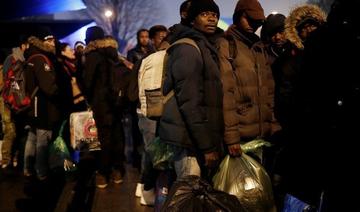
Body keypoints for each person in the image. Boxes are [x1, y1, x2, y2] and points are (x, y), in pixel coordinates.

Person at [270, 4, 326, 209]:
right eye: (306, 27)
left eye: (315, 26)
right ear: (297, 31)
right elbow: (284, 100)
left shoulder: (329, 58)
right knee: (299, 189)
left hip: (323, 134)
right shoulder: (288, 61)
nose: (311, 30)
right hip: (298, 135)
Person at [159, 0, 223, 179]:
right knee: (188, 195)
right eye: (205, 14)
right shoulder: (187, 48)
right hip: (188, 140)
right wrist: (207, 147)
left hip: (196, 137)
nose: (212, 19)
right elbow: (190, 102)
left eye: (215, 15)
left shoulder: (205, 46)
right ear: (192, 20)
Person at [217, 0, 280, 162]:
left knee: (263, 185)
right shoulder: (226, 46)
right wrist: (231, 137)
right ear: (238, 17)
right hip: (241, 137)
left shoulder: (259, 48)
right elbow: (226, 94)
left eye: (257, 22)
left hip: (263, 135)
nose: (254, 25)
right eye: (249, 19)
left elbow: (270, 90)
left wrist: (273, 124)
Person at [82, 26, 125, 189]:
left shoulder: (92, 55)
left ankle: (103, 173)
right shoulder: (114, 53)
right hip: (117, 103)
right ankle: (118, 171)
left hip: (101, 103)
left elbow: (88, 82)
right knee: (118, 136)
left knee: (105, 139)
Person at [0, 35, 29, 171]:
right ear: (23, 46)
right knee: (10, 130)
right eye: (27, 45)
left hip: (18, 100)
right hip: (9, 100)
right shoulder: (11, 59)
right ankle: (6, 159)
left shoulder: (23, 59)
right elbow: (7, 82)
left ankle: (15, 157)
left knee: (18, 130)